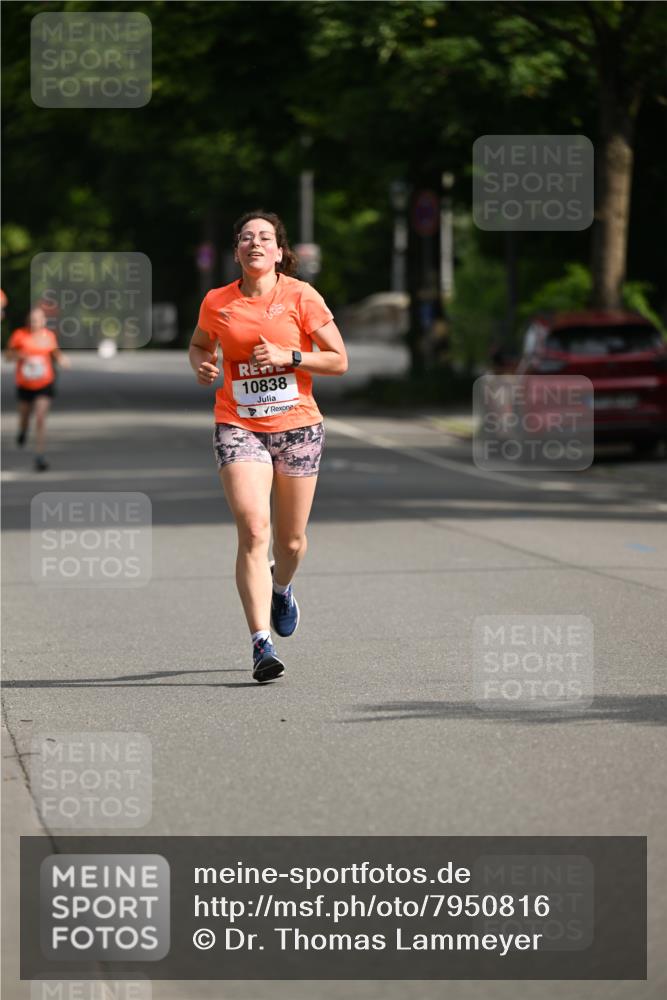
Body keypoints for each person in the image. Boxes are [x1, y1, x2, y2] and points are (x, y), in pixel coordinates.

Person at [189, 211, 347, 683]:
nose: (254, 243)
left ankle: (282, 587)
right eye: (245, 238)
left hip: (297, 426)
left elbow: (338, 360)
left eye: (264, 237)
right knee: (254, 530)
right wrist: (201, 365)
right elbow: (200, 345)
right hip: (239, 423)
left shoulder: (301, 295)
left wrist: (290, 355)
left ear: (279, 252)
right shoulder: (218, 302)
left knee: (291, 542)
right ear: (236, 251)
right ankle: (261, 644)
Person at [4, 305, 70, 471]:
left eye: (38, 320)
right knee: (25, 417)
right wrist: (19, 355)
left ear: (43, 321)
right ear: (28, 321)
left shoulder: (48, 337)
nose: (35, 323)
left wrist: (63, 361)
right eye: (32, 320)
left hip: (44, 383)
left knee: (40, 418)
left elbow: (56, 354)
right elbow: (7, 356)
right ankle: (23, 430)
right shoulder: (19, 335)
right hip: (25, 384)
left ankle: (39, 456)